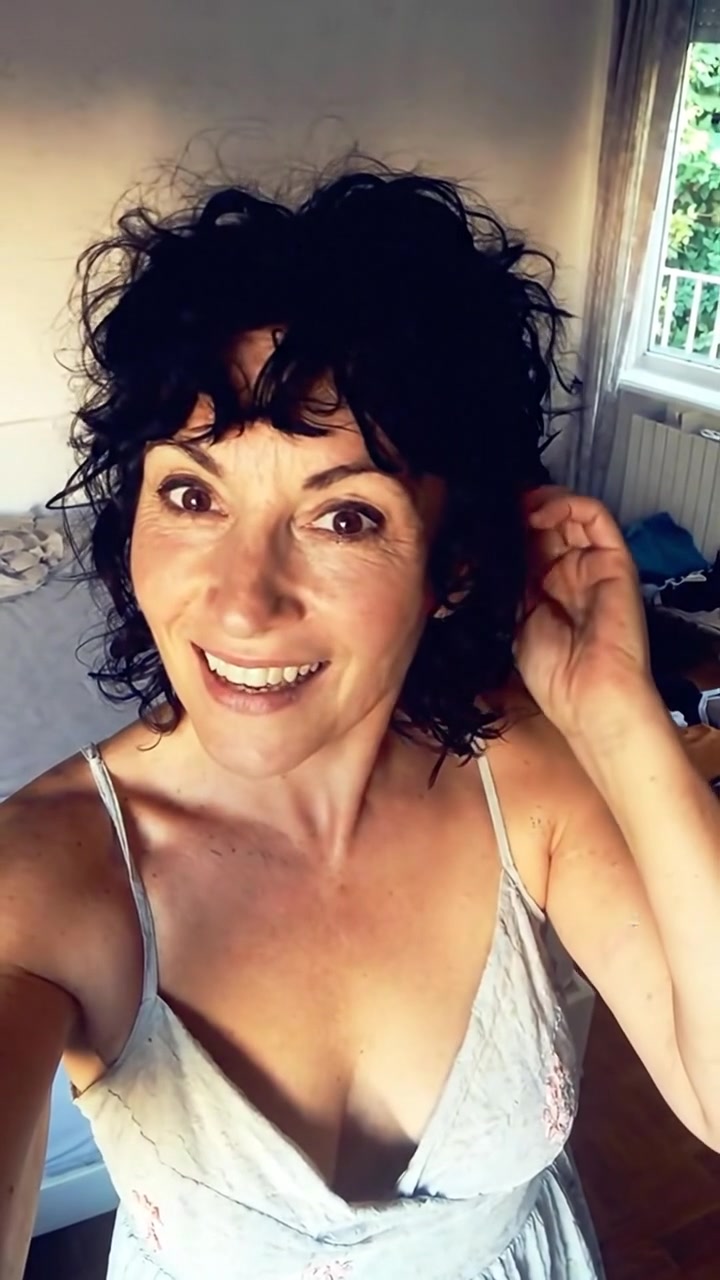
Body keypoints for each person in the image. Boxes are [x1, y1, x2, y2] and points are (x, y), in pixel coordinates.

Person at [1, 165, 719, 1280]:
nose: (243, 603)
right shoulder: (49, 872)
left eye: (344, 516)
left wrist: (618, 713)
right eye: (192, 494)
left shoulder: (522, 781)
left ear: (452, 564)